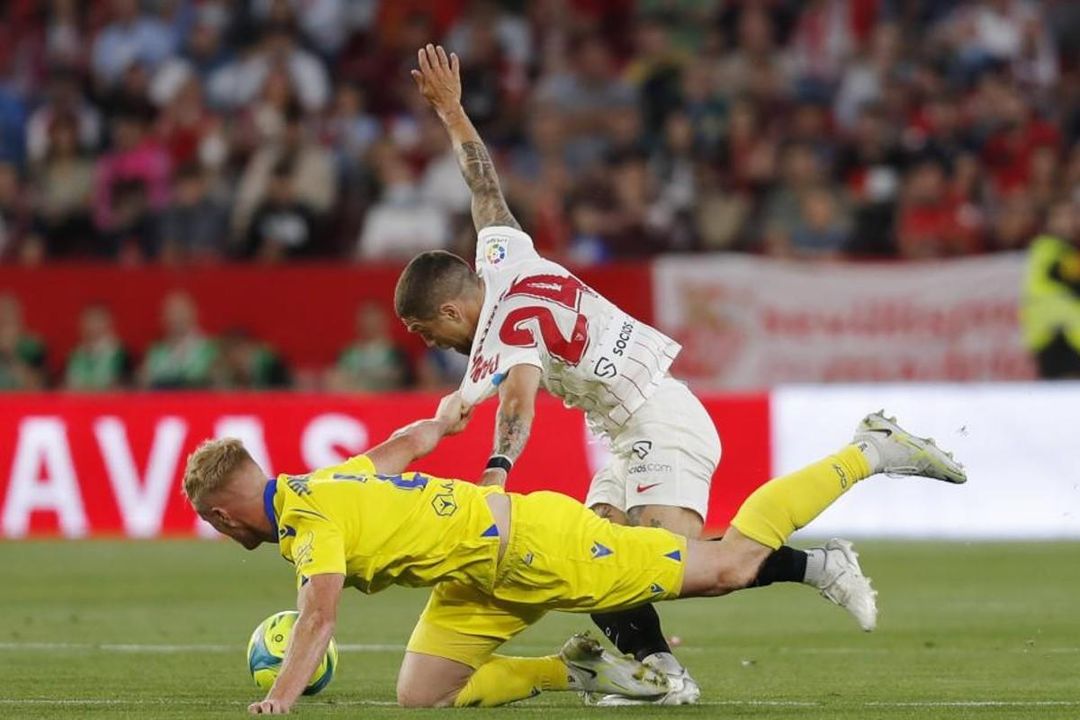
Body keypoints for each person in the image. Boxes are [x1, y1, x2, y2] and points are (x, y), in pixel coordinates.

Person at [396, 44, 871, 705]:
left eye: (427, 330)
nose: (430, 343)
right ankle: (665, 674)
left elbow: (518, 405)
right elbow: (485, 188)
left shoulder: (506, 326)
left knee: (672, 559)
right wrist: (452, 111)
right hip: (621, 430)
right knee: (592, 564)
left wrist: (496, 476)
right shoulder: (502, 258)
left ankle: (817, 563)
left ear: (451, 309)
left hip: (659, 413)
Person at [182, 397, 966, 715]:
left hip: (537, 547)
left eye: (216, 525)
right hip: (474, 579)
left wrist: (280, 699)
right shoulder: (322, 483)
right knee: (422, 695)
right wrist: (446, 420)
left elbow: (318, 615)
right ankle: (576, 667)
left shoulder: (308, 519)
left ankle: (868, 450)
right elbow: (402, 446)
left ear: (222, 514)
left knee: (726, 565)